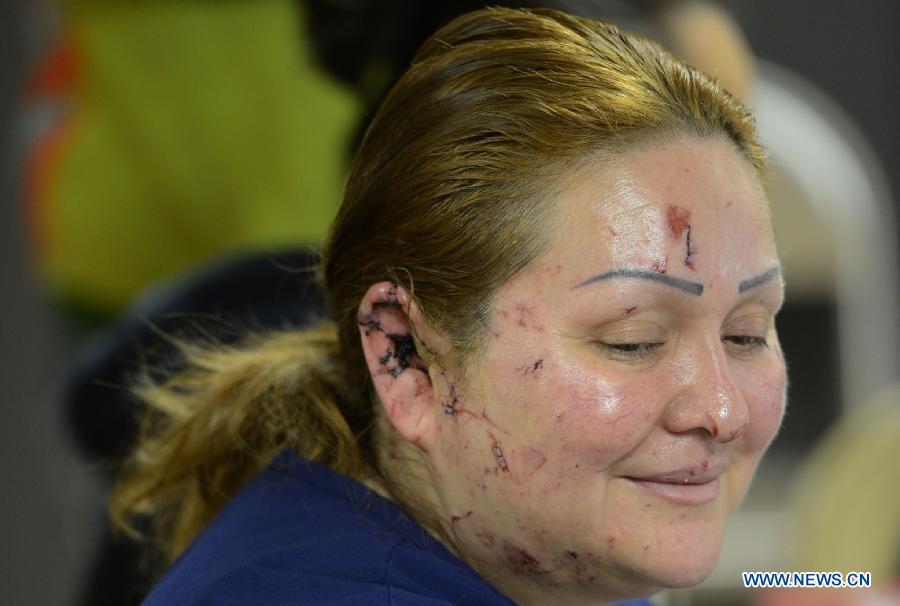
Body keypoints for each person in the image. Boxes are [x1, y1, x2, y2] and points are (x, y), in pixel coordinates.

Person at [111, 7, 786, 605]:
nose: (723, 411)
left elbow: (785, 578)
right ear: (404, 357)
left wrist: (827, 579)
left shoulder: (550, 558)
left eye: (748, 334)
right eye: (633, 340)